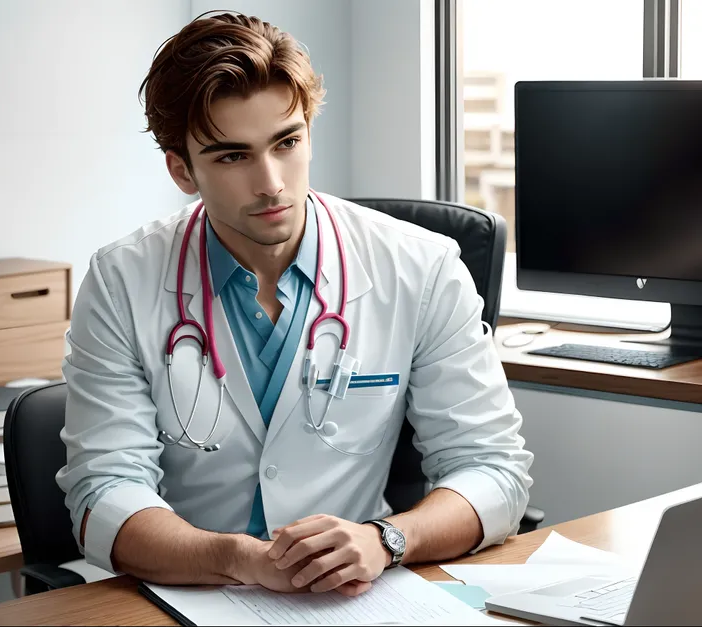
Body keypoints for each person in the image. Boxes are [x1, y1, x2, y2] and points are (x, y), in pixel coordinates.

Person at [57, 11, 533, 597]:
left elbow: (494, 471)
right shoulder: (122, 279)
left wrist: (386, 539)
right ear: (182, 170)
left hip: (351, 598)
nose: (272, 182)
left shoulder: (422, 266)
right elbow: (105, 492)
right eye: (233, 157)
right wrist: (233, 557)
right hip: (184, 593)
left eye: (287, 142)